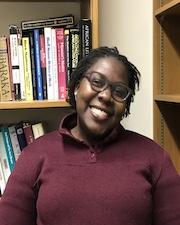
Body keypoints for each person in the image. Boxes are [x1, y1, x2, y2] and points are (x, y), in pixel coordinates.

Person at [0, 46, 180, 225]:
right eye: (97, 82)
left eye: (119, 91)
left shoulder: (155, 158)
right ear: (78, 86)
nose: (106, 96)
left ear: (125, 106)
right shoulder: (35, 154)